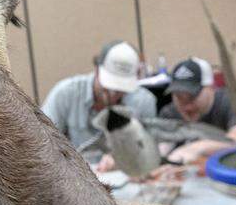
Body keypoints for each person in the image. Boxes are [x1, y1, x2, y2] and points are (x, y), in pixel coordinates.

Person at [42, 40, 157, 169]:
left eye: (121, 89)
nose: (113, 94)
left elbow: (149, 153)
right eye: (108, 87)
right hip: (75, 177)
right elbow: (42, 144)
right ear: (97, 70)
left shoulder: (144, 101)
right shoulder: (65, 94)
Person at [159, 57, 236, 164]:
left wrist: (198, 148)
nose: (187, 107)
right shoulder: (169, 113)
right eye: (179, 97)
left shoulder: (231, 103)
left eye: (192, 97)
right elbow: (161, 149)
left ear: (211, 87)